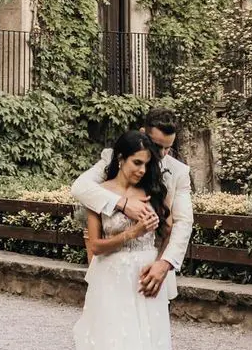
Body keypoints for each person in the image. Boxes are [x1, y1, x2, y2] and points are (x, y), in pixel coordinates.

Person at [28, 130, 176, 350]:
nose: (142, 170)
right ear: (120, 159)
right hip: (112, 281)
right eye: (137, 163)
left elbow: (170, 229)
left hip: (145, 282)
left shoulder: (153, 193)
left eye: (147, 164)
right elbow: (95, 246)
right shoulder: (100, 194)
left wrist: (158, 260)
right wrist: (132, 233)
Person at [70, 117, 194, 300]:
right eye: (157, 146)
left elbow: (183, 223)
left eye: (168, 148)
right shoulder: (116, 157)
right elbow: (80, 188)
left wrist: (164, 263)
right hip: (111, 270)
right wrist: (123, 203)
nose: (162, 154)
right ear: (143, 133)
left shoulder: (179, 172)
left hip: (153, 267)